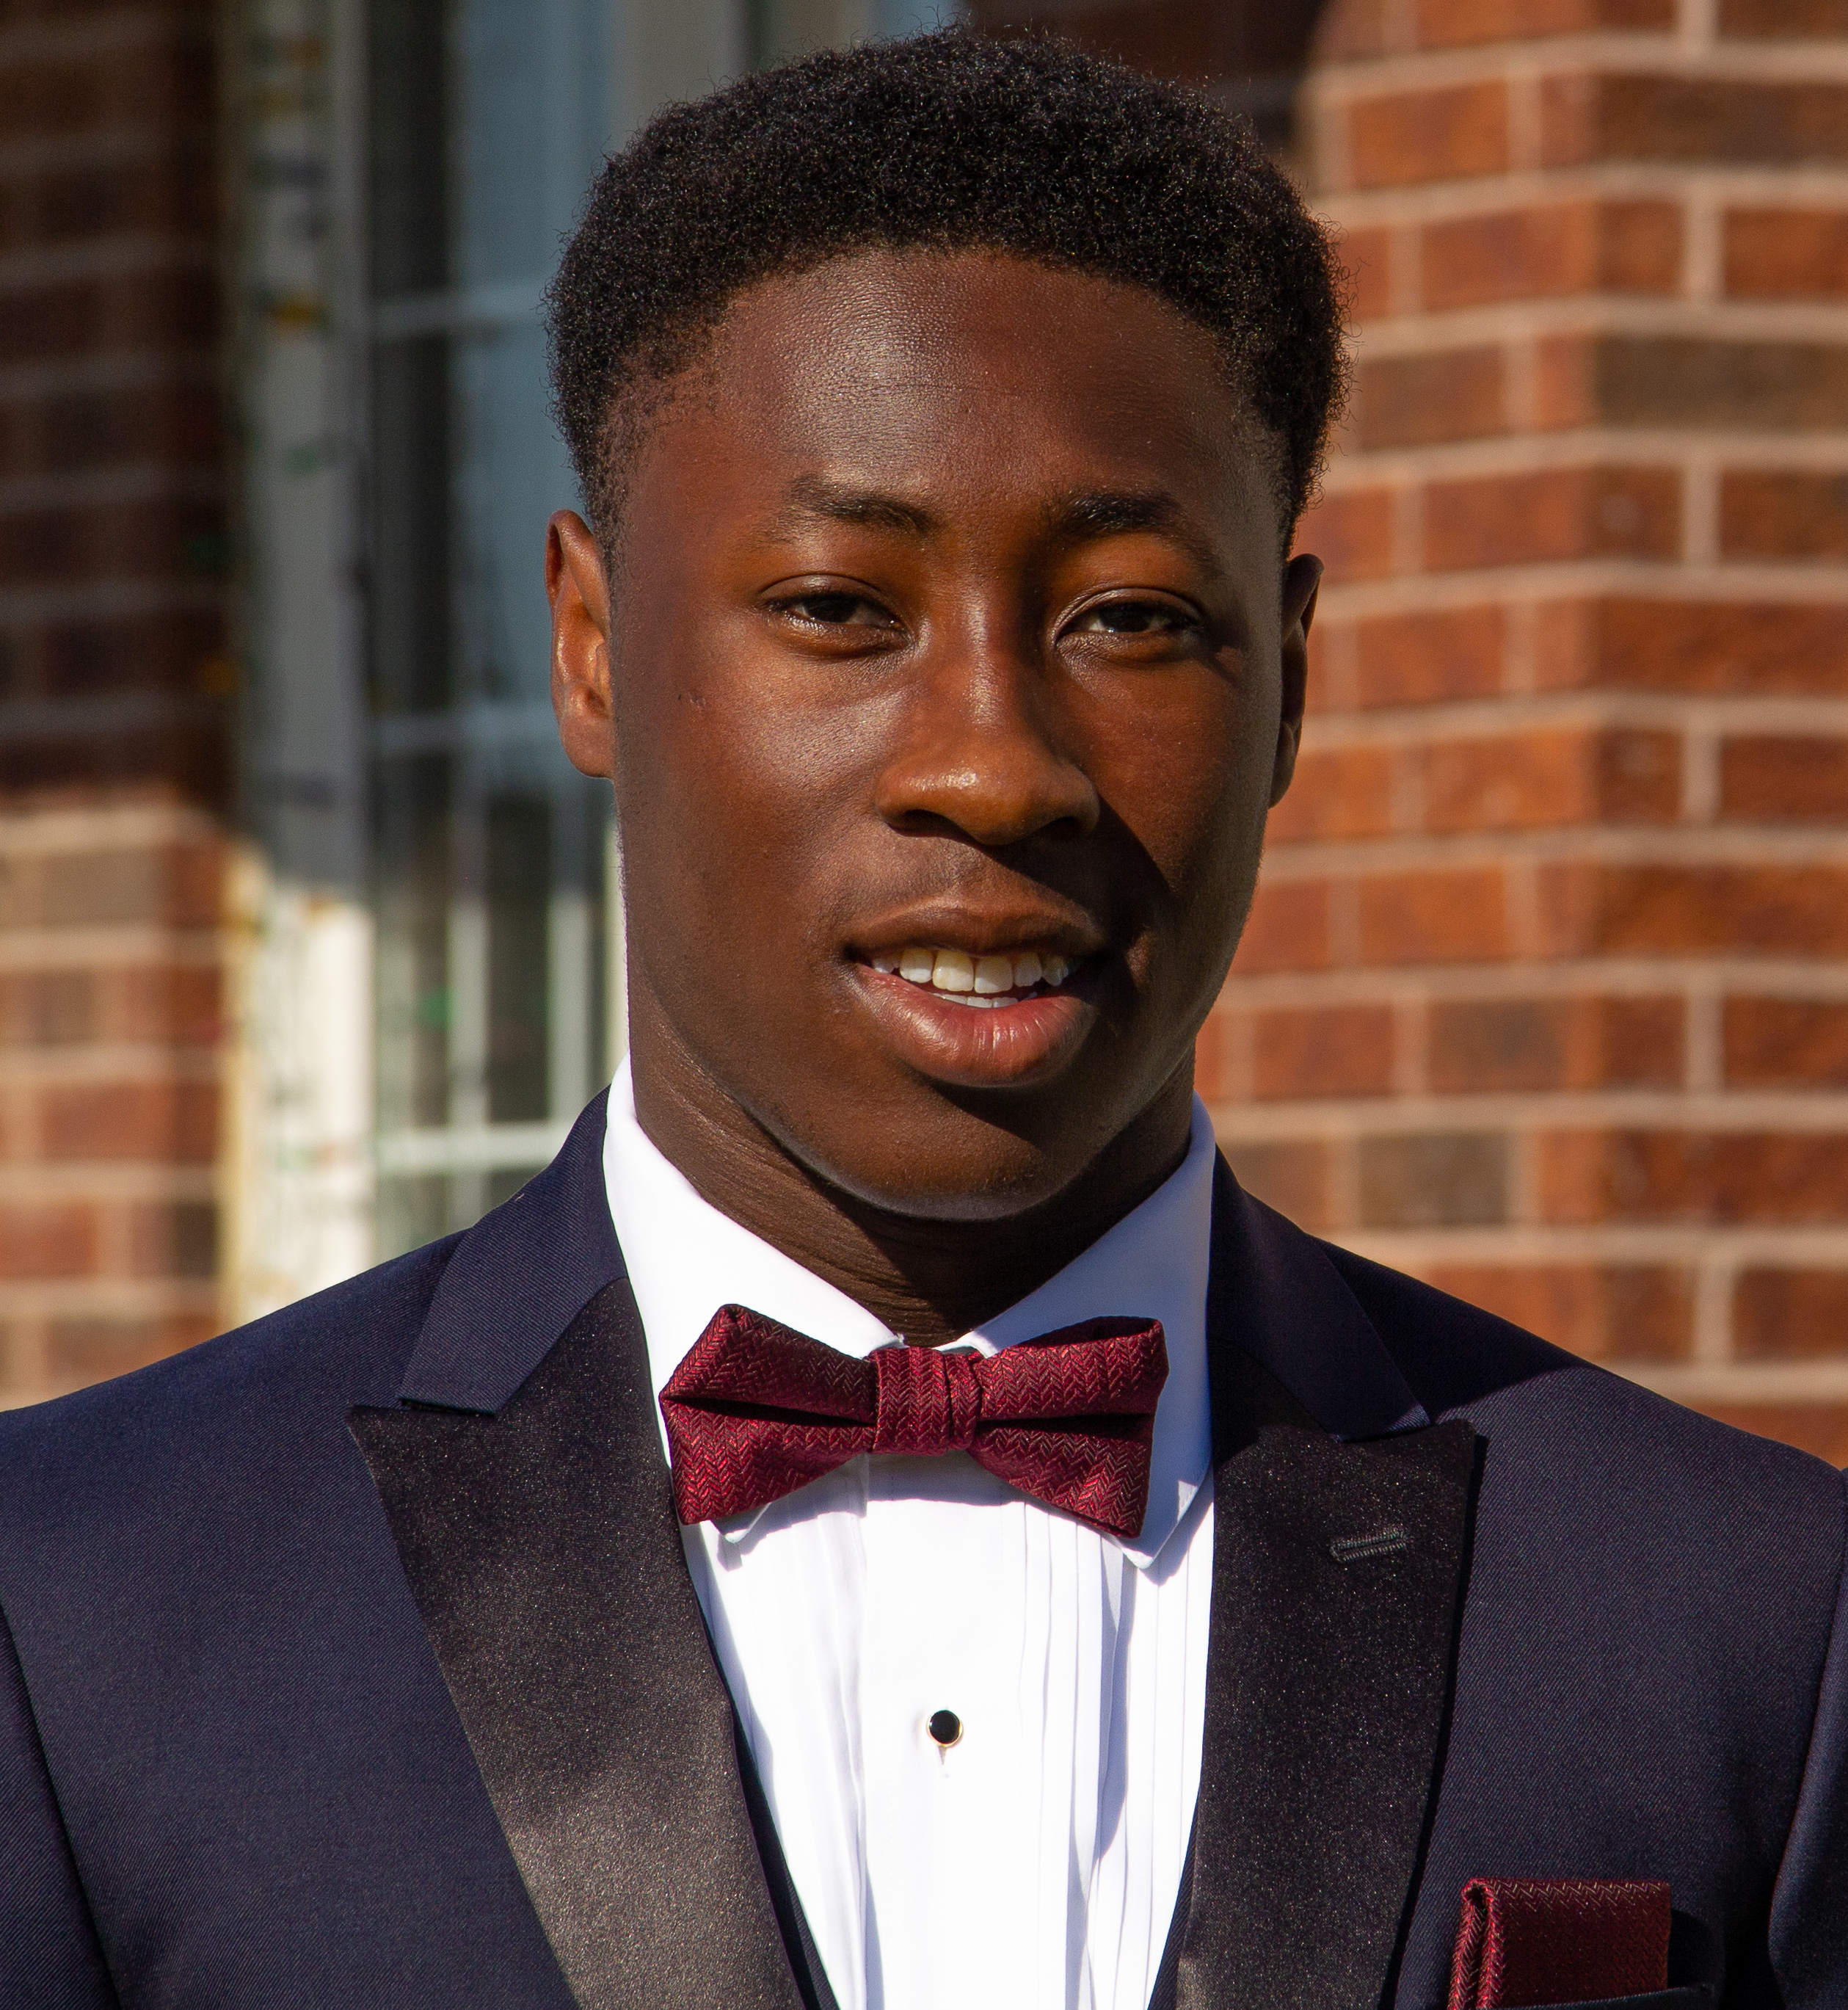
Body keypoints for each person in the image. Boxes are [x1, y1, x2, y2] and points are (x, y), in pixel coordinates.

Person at [1, 29, 1841, 2010]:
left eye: (1129, 616)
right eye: (839, 608)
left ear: (1292, 681)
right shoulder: (80, 1607)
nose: (994, 763)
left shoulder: (1745, 1620)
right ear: (593, 642)